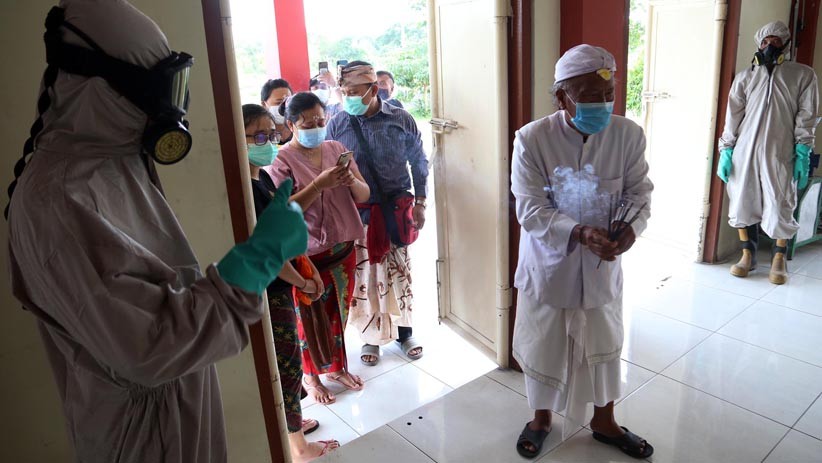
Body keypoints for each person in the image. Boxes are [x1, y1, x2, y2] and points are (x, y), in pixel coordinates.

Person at [5, 2, 307, 462]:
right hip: (141, 436)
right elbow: (150, 346)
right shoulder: (58, 201)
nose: (171, 109)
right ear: (95, 89)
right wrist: (255, 261)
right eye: (157, 89)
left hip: (175, 405)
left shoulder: (115, 161)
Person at [510, 44, 654, 460]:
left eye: (608, 95)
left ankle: (604, 421)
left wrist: (631, 229)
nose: (602, 103)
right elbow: (531, 207)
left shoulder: (628, 135)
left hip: (602, 264)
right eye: (589, 95)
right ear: (561, 97)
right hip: (549, 263)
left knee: (603, 339)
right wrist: (578, 232)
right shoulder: (532, 139)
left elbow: (639, 192)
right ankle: (540, 419)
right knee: (544, 341)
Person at [242, 103, 339, 461]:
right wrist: (303, 281)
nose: (269, 142)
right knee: (285, 366)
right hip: (270, 290)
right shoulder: (244, 190)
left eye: (273, 132)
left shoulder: (260, 177)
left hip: (280, 287)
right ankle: (299, 447)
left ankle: (290, 428)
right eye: (260, 135)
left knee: (285, 361)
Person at [266, 92, 371, 404]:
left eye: (321, 121)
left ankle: (337, 367)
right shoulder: (281, 159)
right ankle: (311, 377)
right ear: (291, 124)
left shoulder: (336, 149)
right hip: (307, 255)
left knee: (338, 310)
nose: (316, 127)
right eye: (308, 123)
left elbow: (363, 195)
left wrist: (349, 178)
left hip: (343, 249)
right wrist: (318, 186)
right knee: (309, 318)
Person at [326, 61, 429, 366]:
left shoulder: (400, 119)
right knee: (366, 278)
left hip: (396, 210)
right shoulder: (338, 122)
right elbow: (334, 167)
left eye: (355, 92)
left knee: (399, 273)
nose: (348, 98)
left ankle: (405, 333)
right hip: (359, 213)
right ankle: (371, 339)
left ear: (373, 89)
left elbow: (418, 161)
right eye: (345, 92)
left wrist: (421, 202)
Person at [717, 20, 818, 285]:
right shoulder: (746, 76)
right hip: (745, 151)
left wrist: (804, 149)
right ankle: (747, 255)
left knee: (780, 202)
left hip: (781, 150)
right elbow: (732, 116)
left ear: (785, 43)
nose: (769, 45)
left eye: (775, 41)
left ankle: (778, 258)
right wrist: (726, 149)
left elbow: (807, 116)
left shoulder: (803, 74)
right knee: (741, 200)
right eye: (765, 41)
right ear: (758, 44)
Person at [261, 78, 294, 143]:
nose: (284, 107)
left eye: (288, 102)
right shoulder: (260, 133)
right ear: (264, 105)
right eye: (278, 103)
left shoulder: (298, 129)